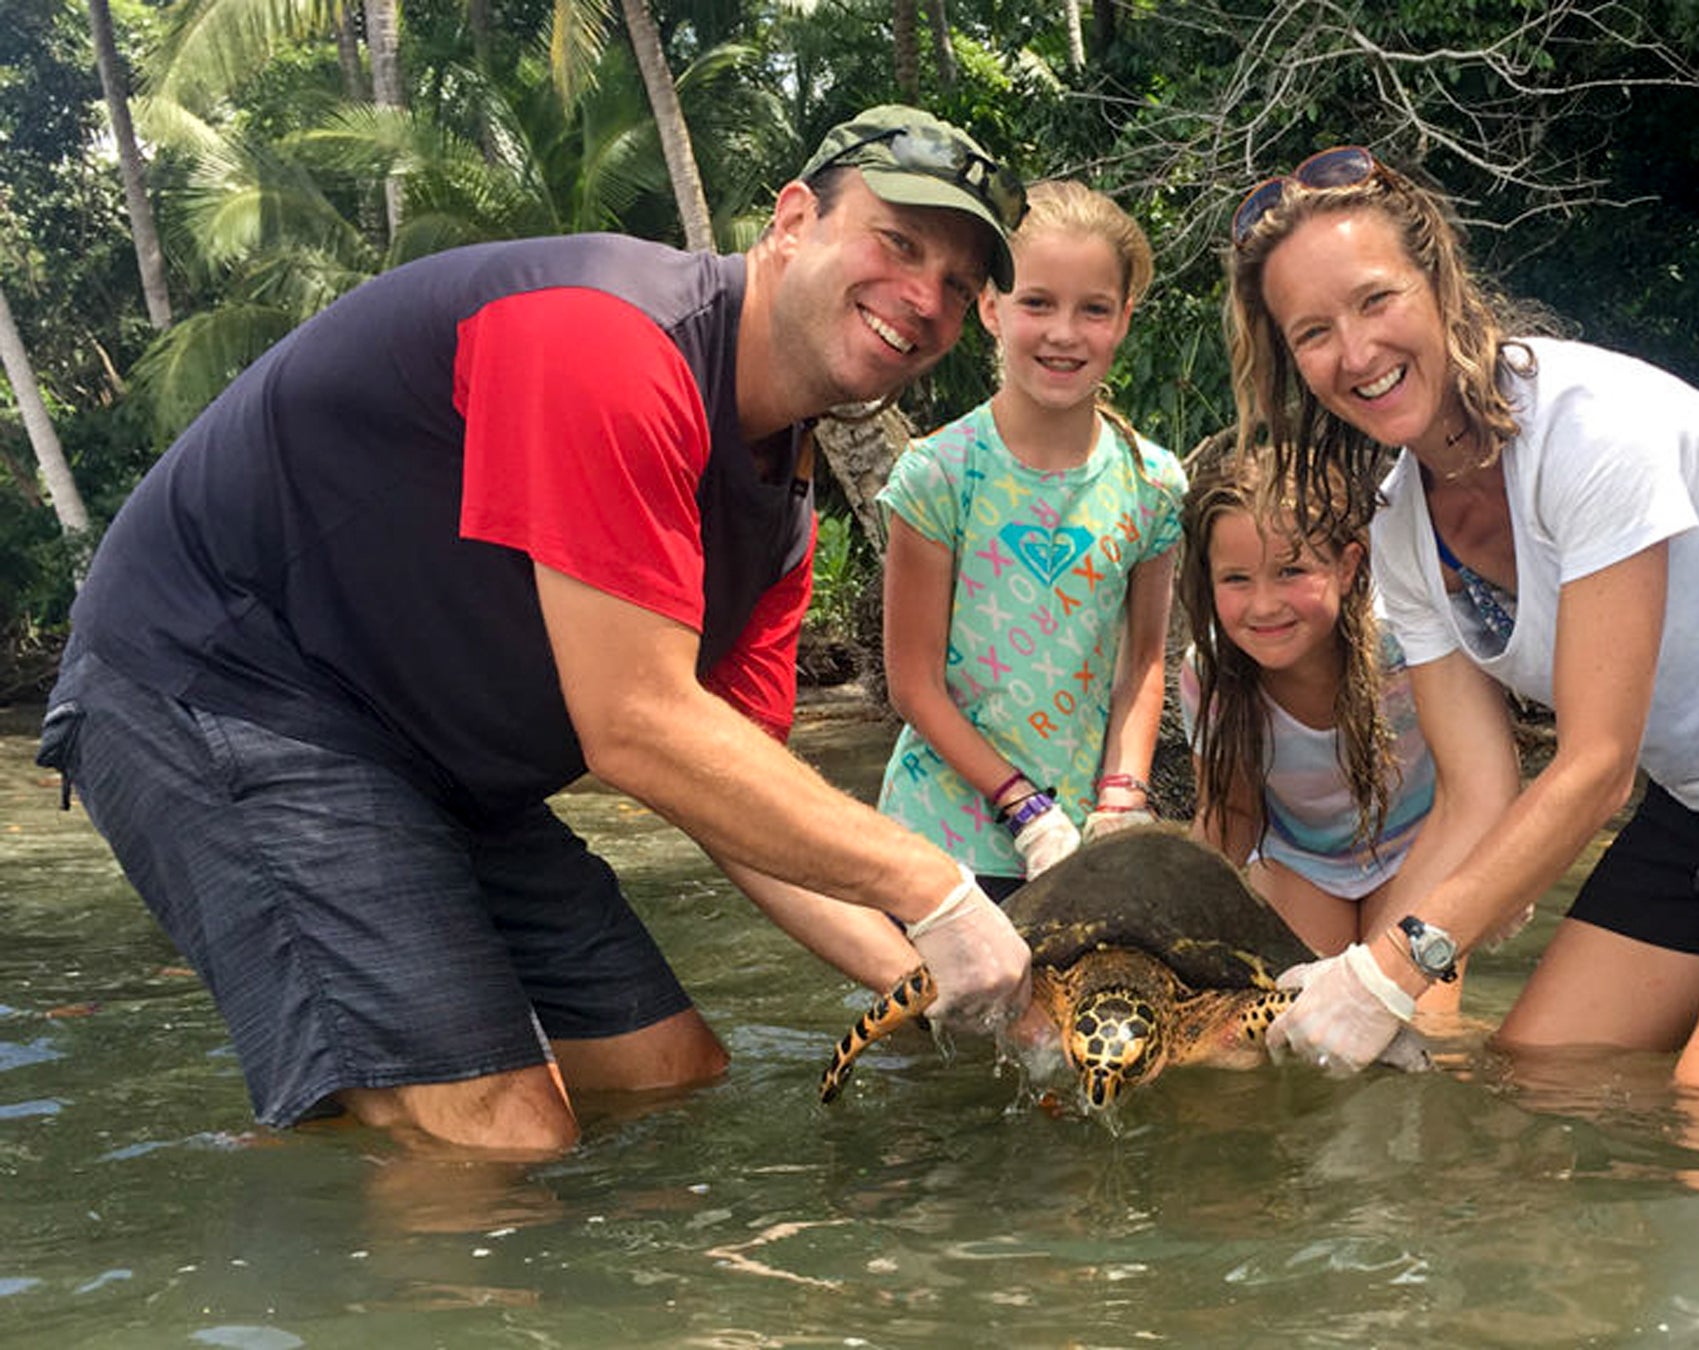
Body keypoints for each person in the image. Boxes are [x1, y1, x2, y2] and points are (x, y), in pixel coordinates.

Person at [34, 105, 1037, 1156]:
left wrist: (934, 974)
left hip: (433, 757)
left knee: (666, 1076)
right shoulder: (605, 337)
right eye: (899, 242)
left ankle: (370, 1106)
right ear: (792, 221)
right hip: (224, 678)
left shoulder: (782, 519)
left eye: (961, 287)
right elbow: (637, 726)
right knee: (500, 1134)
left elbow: (737, 801)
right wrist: (937, 888)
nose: (924, 299)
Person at [1222, 146, 1699, 1093]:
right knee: (1537, 1077)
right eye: (1313, 332)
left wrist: (1394, 964)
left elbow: (1596, 770)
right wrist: (1395, 993)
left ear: (1439, 281)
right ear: (1290, 360)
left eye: (1375, 300)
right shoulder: (1399, 527)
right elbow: (1475, 795)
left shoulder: (1586, 425)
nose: (1355, 353)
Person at [875, 179, 1185, 903]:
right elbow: (912, 682)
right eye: (1037, 302)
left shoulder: (1153, 484)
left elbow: (1142, 663)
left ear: (1124, 320)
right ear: (991, 307)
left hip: (1082, 844)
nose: (1064, 333)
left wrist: (1122, 798)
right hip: (939, 839)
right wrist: (1022, 807)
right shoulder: (939, 474)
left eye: (1094, 309)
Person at [1175, 430, 1516, 1013]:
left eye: (1291, 571)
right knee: (1292, 1027)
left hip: (1421, 848)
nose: (1263, 605)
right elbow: (1229, 816)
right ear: (1208, 577)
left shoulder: (1409, 643)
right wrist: (1184, 938)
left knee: (1409, 1026)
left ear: (1349, 563)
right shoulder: (1209, 677)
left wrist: (1504, 877)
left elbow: (1482, 775)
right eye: (1236, 579)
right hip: (1301, 863)